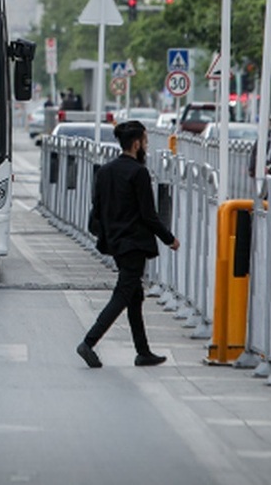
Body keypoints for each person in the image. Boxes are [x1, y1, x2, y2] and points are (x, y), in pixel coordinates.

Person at [77, 120, 180, 369]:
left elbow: (98, 209)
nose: (145, 146)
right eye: (145, 142)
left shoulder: (105, 171)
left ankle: (143, 352)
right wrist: (170, 239)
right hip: (134, 243)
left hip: (115, 242)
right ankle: (88, 342)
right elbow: (149, 215)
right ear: (136, 144)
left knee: (134, 296)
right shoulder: (138, 172)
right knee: (123, 294)